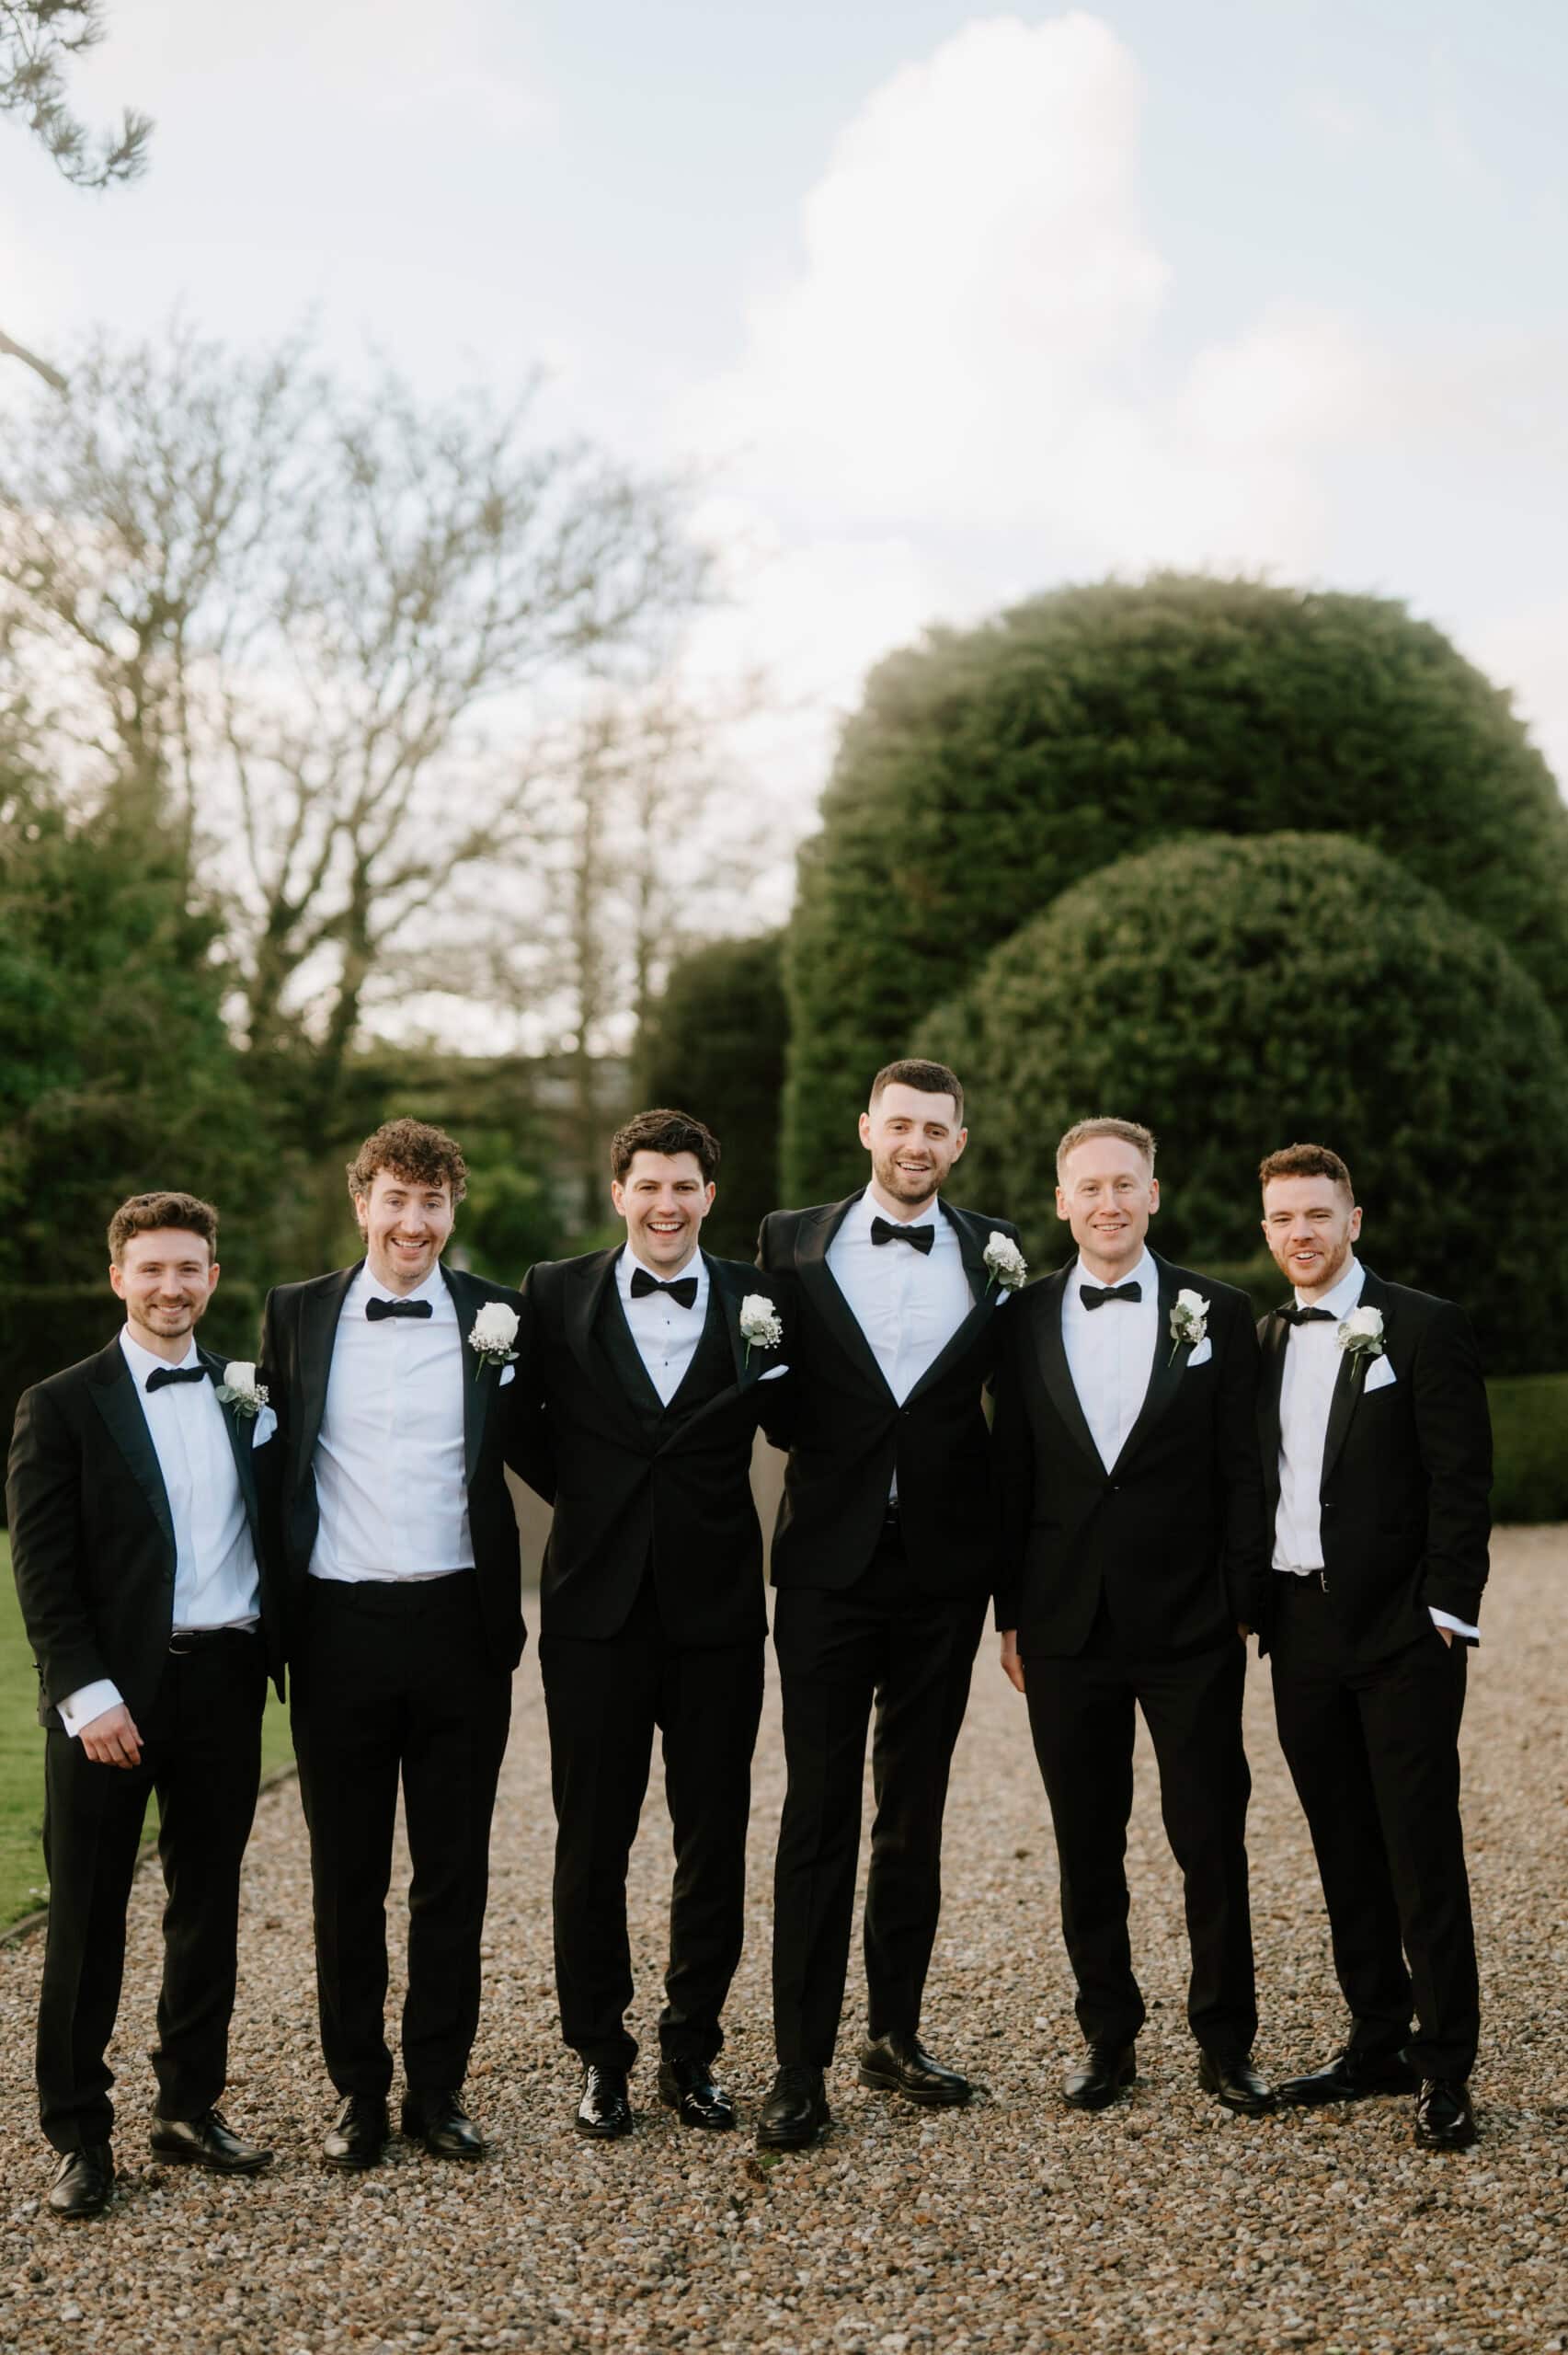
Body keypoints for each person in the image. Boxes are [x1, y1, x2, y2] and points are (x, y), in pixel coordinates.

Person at [754, 1058, 1021, 2150]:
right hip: (827, 1565)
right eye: (899, 1123)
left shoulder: (996, 1251)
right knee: (817, 1810)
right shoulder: (789, 1241)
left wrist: (1013, 1594)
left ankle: (893, 2034)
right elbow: (770, 1393)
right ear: (867, 1128)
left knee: (914, 1807)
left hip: (943, 1571)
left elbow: (1017, 1419)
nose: (916, 1143)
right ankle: (797, 2066)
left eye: (935, 1128)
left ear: (958, 1143)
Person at [513, 1109, 791, 2139]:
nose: (665, 1204)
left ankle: (691, 2050)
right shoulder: (553, 1292)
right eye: (649, 1186)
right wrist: (597, 1503)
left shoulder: (761, 1299)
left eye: (684, 1187)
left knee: (712, 1837)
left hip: (718, 1608)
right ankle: (600, 2055)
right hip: (594, 1610)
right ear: (617, 1192)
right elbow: (520, 1427)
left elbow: (797, 1418)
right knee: (592, 1838)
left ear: (708, 1197)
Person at [6, 1191, 283, 2219]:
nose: (172, 1286)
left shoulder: (249, 1393)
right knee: (87, 1920)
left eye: (189, 1268)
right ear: (118, 1276)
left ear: (213, 1277)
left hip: (226, 1684)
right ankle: (79, 2135)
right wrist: (88, 1697)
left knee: (207, 1909)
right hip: (110, 1701)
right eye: (152, 1268)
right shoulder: (61, 1403)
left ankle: (188, 2107)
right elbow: (43, 1570)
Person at [992, 1119, 1274, 2118]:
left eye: (1124, 1185)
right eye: (1089, 1187)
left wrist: (1241, 1603)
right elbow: (1011, 1471)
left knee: (1209, 1833)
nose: (1107, 1203)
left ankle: (1225, 2040)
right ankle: (1107, 2035)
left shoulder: (1219, 1310)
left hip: (1191, 1621)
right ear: (1061, 1202)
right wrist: (1010, 1614)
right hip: (1063, 1623)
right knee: (1085, 1838)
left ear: (1153, 1195)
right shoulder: (1020, 1317)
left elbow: (1244, 1467)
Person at [260, 1119, 527, 2168]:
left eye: (432, 1203)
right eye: (396, 1200)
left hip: (462, 1627)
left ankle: (439, 2088)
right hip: (339, 1631)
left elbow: (558, 1444)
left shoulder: (499, 1315)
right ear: (361, 1202)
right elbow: (267, 1460)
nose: (413, 1223)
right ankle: (358, 2092)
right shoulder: (295, 1313)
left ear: (453, 1210)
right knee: (347, 1877)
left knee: (452, 1874)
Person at [1257, 1143, 1489, 2151]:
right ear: (1266, 1231)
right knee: (1341, 1843)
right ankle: (1374, 2040)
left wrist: (1447, 1610)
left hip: (1402, 1630)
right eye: (1282, 1218)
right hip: (1298, 1628)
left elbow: (1461, 1480)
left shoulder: (1424, 1325)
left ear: (1353, 1220)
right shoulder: (1262, 1337)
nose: (1300, 1232)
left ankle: (1445, 2065)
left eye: (1317, 1213)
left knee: (1418, 1848)